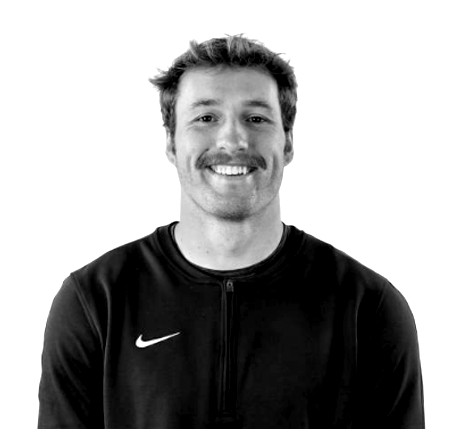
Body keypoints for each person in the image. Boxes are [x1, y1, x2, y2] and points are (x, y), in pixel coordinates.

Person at [38, 35, 425, 428]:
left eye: (256, 118)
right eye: (206, 118)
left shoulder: (368, 310)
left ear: (288, 142)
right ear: (171, 142)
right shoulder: (95, 303)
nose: (233, 140)